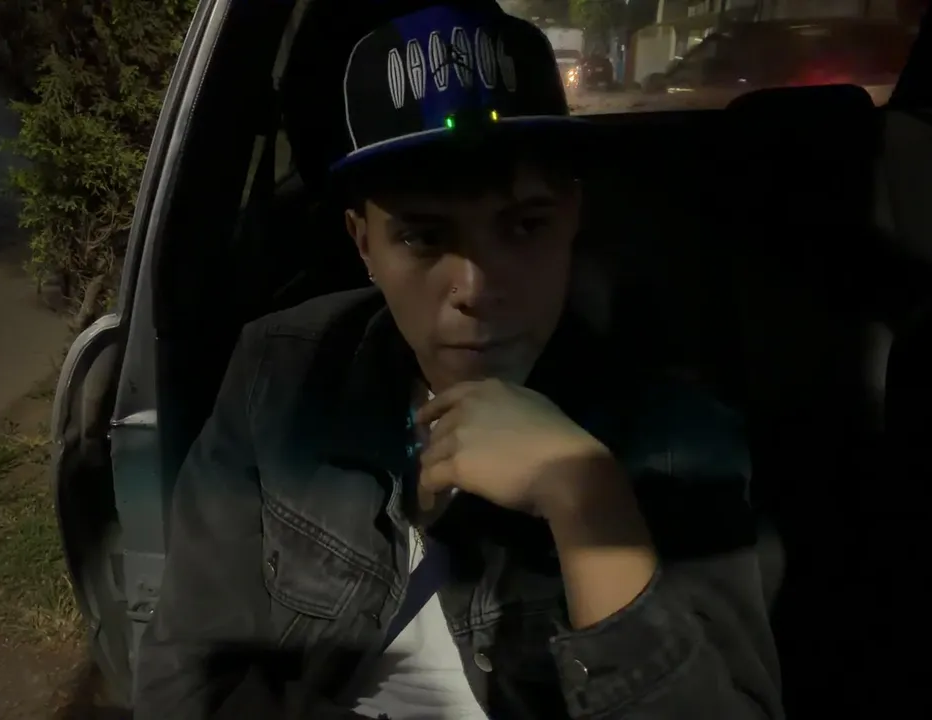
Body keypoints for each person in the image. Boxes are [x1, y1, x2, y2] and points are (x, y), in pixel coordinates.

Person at [135, 2, 783, 718]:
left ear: (572, 217)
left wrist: (588, 502)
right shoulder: (279, 376)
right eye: (423, 237)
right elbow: (185, 679)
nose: (475, 287)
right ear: (363, 243)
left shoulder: (676, 435)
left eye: (524, 226)